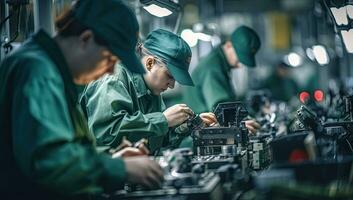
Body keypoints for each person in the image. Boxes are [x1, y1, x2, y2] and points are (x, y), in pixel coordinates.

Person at [0, 0, 163, 199]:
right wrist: (120, 169)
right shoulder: (39, 72)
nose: (111, 70)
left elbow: (62, 149)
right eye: (110, 60)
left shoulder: (52, 71)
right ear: (86, 39)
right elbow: (52, 163)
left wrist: (109, 158)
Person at [80, 29, 217, 153]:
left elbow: (155, 140)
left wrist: (187, 126)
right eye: (170, 76)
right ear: (150, 63)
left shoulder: (152, 91)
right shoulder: (113, 79)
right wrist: (163, 120)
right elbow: (107, 134)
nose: (172, 86)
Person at [182, 25, 261, 133]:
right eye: (239, 60)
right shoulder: (212, 68)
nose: (240, 66)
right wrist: (241, 124)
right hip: (198, 135)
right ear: (228, 45)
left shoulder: (220, 64)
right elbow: (220, 108)